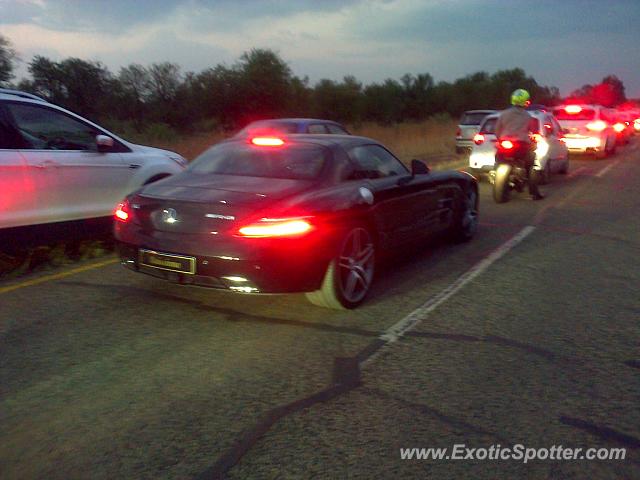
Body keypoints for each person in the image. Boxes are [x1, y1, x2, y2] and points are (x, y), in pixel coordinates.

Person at [495, 88, 544, 200]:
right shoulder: (528, 117)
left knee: (498, 157)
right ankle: (534, 192)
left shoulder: (503, 114)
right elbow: (534, 132)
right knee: (531, 165)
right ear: (525, 101)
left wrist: (500, 139)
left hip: (504, 143)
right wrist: (534, 140)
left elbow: (497, 130)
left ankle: (495, 172)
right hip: (521, 145)